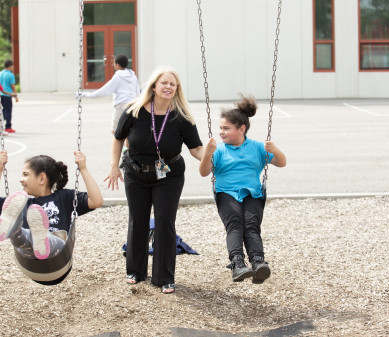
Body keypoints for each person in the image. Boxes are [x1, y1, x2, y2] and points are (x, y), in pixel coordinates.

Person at [104, 66, 204, 294]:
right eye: (164, 83)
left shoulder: (182, 117)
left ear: (176, 89)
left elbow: (196, 149)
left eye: (173, 84)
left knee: (164, 222)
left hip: (168, 175)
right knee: (137, 220)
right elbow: (118, 138)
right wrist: (113, 167)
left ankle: (164, 276)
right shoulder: (134, 111)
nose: (168, 87)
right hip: (135, 173)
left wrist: (212, 155)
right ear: (154, 86)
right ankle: (136, 271)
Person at [199, 94, 286, 283]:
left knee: (252, 226)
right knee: (235, 225)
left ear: (241, 129)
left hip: (252, 194)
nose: (221, 132)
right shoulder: (220, 150)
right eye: (220, 128)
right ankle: (237, 264)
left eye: (226, 128)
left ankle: (258, 263)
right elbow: (204, 172)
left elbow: (281, 162)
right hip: (226, 193)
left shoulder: (257, 147)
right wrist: (207, 153)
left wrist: (274, 149)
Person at [0, 149, 103, 267]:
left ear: (42, 178)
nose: (21, 179)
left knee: (49, 239)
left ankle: (40, 236)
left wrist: (83, 168)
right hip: (31, 259)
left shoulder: (65, 197)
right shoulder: (21, 203)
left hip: (58, 258)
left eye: (25, 174)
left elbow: (96, 201)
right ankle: (16, 231)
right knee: (24, 237)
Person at [77, 54, 140, 134]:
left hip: (121, 106)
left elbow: (105, 91)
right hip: (133, 105)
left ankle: (120, 146)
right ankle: (128, 146)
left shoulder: (118, 77)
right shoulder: (133, 76)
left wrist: (86, 94)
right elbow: (138, 91)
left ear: (117, 65)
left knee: (115, 131)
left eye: (114, 64)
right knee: (129, 130)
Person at [0, 59, 19, 133]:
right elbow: (13, 86)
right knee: (8, 111)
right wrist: (16, 96)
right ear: (10, 66)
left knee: (3, 110)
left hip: (0, 95)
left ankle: (0, 125)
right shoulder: (10, 75)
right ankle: (8, 127)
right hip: (7, 95)